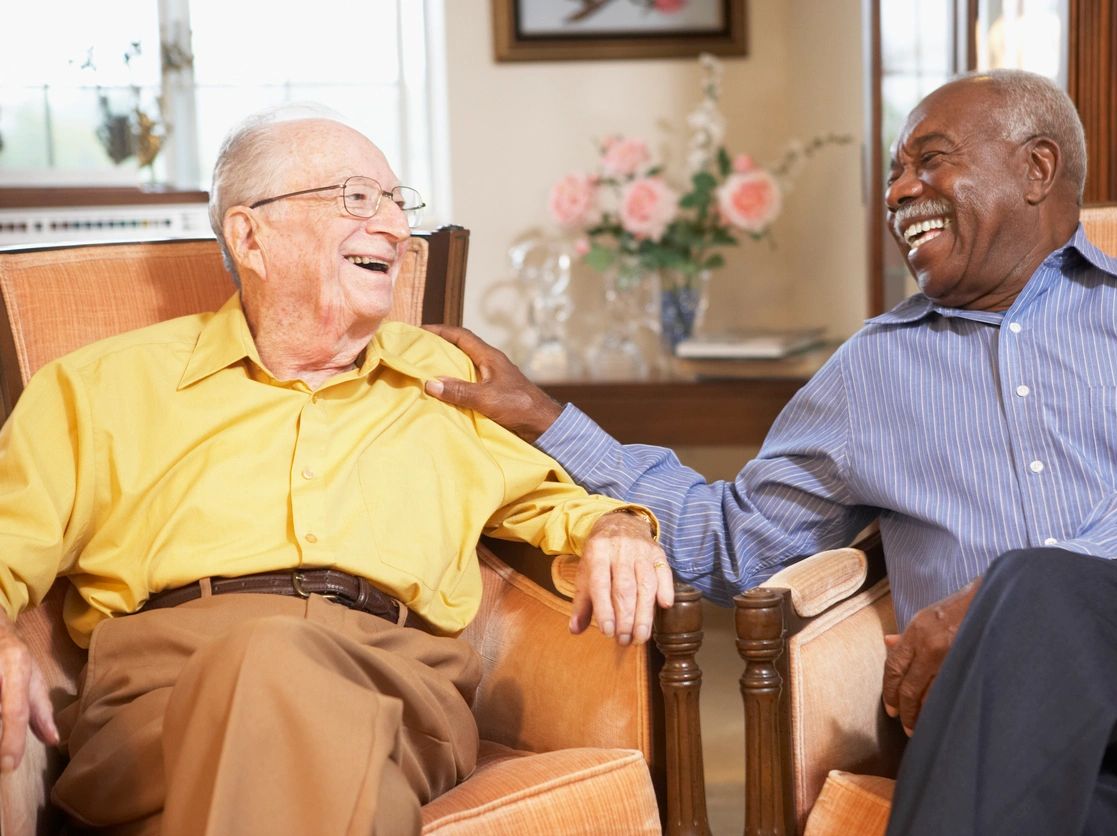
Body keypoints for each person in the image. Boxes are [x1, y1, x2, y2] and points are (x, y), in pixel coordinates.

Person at [423, 69, 1117, 832]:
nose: (898, 192)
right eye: (895, 173)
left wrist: (988, 610)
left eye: (930, 161)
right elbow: (736, 541)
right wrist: (545, 418)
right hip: (1004, 724)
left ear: (1038, 170)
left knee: (1035, 590)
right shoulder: (873, 371)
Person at [0, 112, 672, 836]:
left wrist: (618, 524)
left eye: (397, 203)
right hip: (161, 691)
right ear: (249, 235)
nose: (396, 230)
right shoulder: (99, 387)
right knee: (334, 768)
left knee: (275, 670)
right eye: (357, 198)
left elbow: (554, 502)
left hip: (394, 684)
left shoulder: (442, 381)